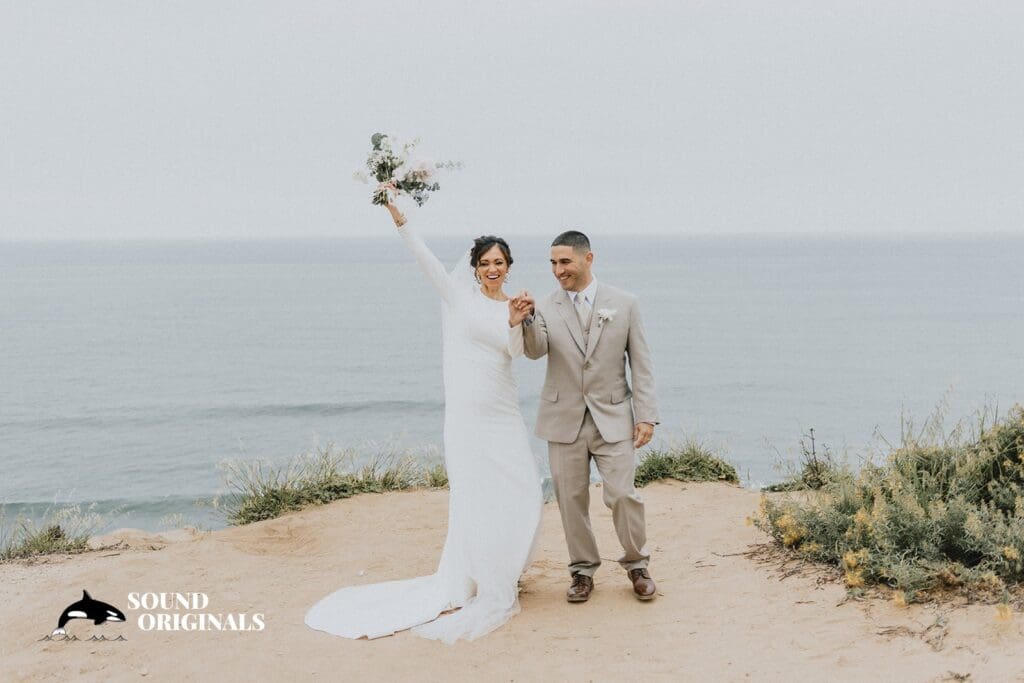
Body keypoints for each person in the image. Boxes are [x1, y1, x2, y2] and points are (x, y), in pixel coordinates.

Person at [304, 203, 543, 643]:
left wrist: (517, 321)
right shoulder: (457, 296)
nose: (493, 268)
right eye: (486, 263)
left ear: (509, 267)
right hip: (468, 418)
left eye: (500, 263)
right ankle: (480, 576)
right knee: (474, 493)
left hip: (502, 410)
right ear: (474, 268)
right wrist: (400, 218)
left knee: (524, 486)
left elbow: (514, 352)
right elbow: (424, 257)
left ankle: (502, 566)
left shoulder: (516, 304)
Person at [514, 230, 660, 603]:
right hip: (563, 418)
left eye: (564, 262)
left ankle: (636, 564)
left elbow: (641, 365)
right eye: (552, 263)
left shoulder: (625, 303)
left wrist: (646, 415)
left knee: (623, 495)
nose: (557, 270)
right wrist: (527, 320)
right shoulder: (544, 305)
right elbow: (535, 351)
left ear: (587, 259)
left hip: (613, 417)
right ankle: (582, 571)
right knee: (570, 499)